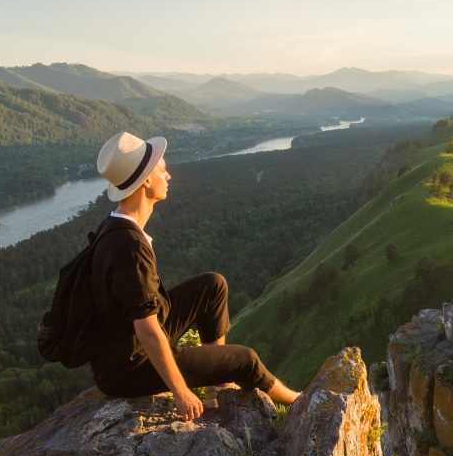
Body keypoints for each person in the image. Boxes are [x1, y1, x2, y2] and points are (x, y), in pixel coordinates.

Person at [85, 131, 301, 420]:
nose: (169, 175)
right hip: (129, 366)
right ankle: (300, 402)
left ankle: (216, 386)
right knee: (246, 360)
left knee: (213, 285)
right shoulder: (129, 247)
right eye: (163, 169)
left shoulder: (115, 228)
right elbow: (147, 329)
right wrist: (180, 390)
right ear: (146, 181)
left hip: (123, 347)